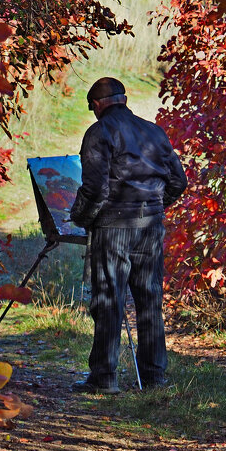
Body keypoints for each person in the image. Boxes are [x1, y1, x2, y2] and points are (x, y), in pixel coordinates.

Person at [68, 77, 187, 393]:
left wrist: (80, 218)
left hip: (114, 228)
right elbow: (179, 181)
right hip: (150, 227)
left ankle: (104, 378)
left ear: (97, 104)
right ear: (123, 99)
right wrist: (152, 207)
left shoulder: (99, 132)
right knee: (150, 299)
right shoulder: (153, 131)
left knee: (109, 299)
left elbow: (95, 189)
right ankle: (154, 377)